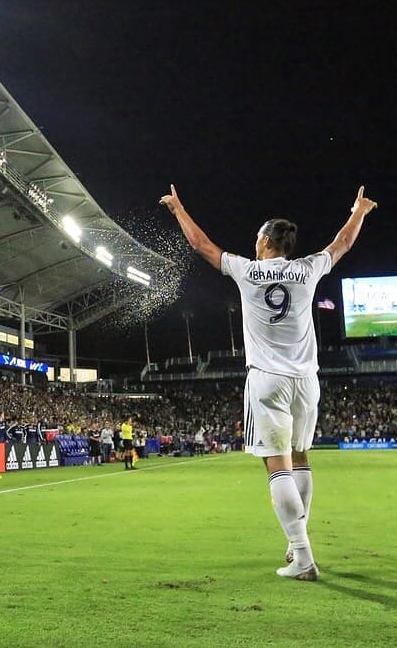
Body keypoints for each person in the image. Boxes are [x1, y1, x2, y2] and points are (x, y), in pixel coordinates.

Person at [161, 182, 377, 581]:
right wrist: (359, 211)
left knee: (276, 464)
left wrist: (177, 209)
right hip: (306, 381)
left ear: (264, 242)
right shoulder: (308, 268)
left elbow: (202, 245)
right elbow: (342, 244)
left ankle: (303, 556)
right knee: (300, 458)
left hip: (267, 381)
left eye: (257, 237)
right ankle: (300, 545)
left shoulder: (247, 271)